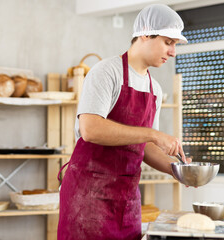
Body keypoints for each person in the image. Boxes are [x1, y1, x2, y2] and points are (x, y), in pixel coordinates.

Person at [57, 4, 192, 240]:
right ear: (145, 34)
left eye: (175, 45)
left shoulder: (155, 89)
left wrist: (178, 171)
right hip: (88, 196)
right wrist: (152, 133)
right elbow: (90, 129)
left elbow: (146, 147)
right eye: (168, 42)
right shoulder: (106, 72)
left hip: (126, 200)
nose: (173, 52)